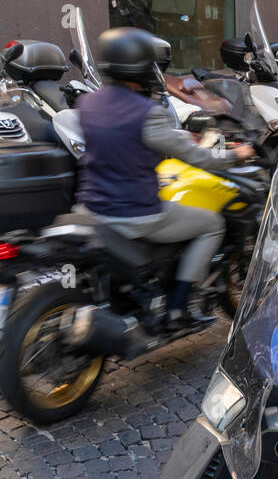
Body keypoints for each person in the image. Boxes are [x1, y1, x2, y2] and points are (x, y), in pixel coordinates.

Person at [74, 27, 252, 329]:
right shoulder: (146, 112)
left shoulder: (88, 103)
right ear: (142, 67)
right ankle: (177, 307)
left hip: (90, 208)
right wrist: (238, 154)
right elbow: (200, 158)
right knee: (212, 224)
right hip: (135, 212)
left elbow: (121, 141)